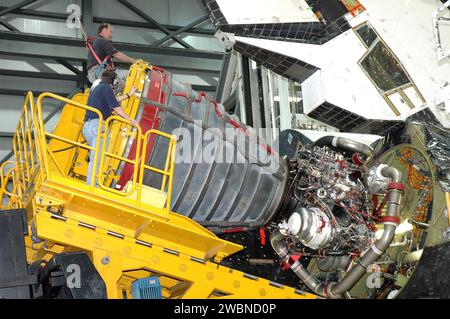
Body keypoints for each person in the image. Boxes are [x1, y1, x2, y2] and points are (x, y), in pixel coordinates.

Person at [83, 69, 139, 186]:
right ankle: (93, 184)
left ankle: (92, 182)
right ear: (113, 82)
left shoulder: (97, 89)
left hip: (88, 127)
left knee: (95, 155)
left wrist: (129, 95)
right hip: (98, 126)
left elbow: (113, 100)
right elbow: (116, 108)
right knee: (98, 156)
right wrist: (131, 120)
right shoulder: (107, 88)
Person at [86, 23, 136, 91]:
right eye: (110, 31)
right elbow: (117, 55)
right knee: (120, 84)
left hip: (94, 74)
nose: (111, 35)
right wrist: (134, 61)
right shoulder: (101, 41)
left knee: (112, 88)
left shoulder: (96, 42)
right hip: (99, 71)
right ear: (104, 30)